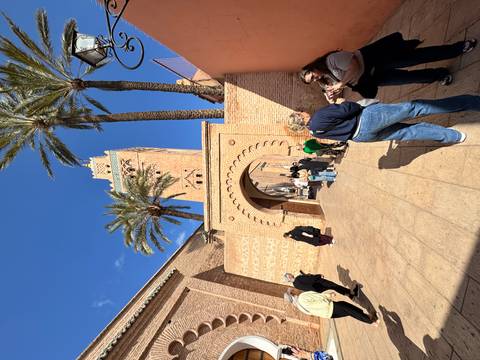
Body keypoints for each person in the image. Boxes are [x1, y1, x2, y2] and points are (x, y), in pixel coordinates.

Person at [300, 32, 477, 100]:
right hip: (374, 77)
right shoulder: (326, 78)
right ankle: (440, 74)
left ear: (313, 66)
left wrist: (341, 84)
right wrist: (334, 93)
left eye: (312, 74)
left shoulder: (332, 60)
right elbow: (348, 82)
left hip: (378, 60)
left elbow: (353, 66)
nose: (315, 78)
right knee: (408, 79)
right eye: (312, 80)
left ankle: (458, 48)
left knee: (419, 57)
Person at [287, 94, 480, 143]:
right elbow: (349, 108)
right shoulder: (318, 117)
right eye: (301, 112)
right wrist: (341, 101)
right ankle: (469, 102)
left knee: (408, 132)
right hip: (367, 119)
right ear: (301, 117)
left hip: (361, 137)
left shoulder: (313, 132)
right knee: (415, 108)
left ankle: (453, 137)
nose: (304, 111)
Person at [284, 289, 379, 325]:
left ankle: (369, 318)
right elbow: (317, 297)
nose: (294, 289)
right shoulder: (302, 297)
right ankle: (371, 320)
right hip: (329, 307)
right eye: (292, 290)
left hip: (328, 314)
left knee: (349, 311)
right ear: (293, 294)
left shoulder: (299, 307)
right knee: (349, 309)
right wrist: (329, 295)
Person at [284, 272, 359, 299]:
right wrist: (319, 275)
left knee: (334, 287)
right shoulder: (298, 278)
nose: (290, 274)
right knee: (334, 286)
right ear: (289, 277)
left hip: (317, 289)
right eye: (289, 274)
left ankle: (349, 294)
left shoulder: (295, 285)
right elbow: (310, 279)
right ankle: (352, 293)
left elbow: (306, 285)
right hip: (319, 283)